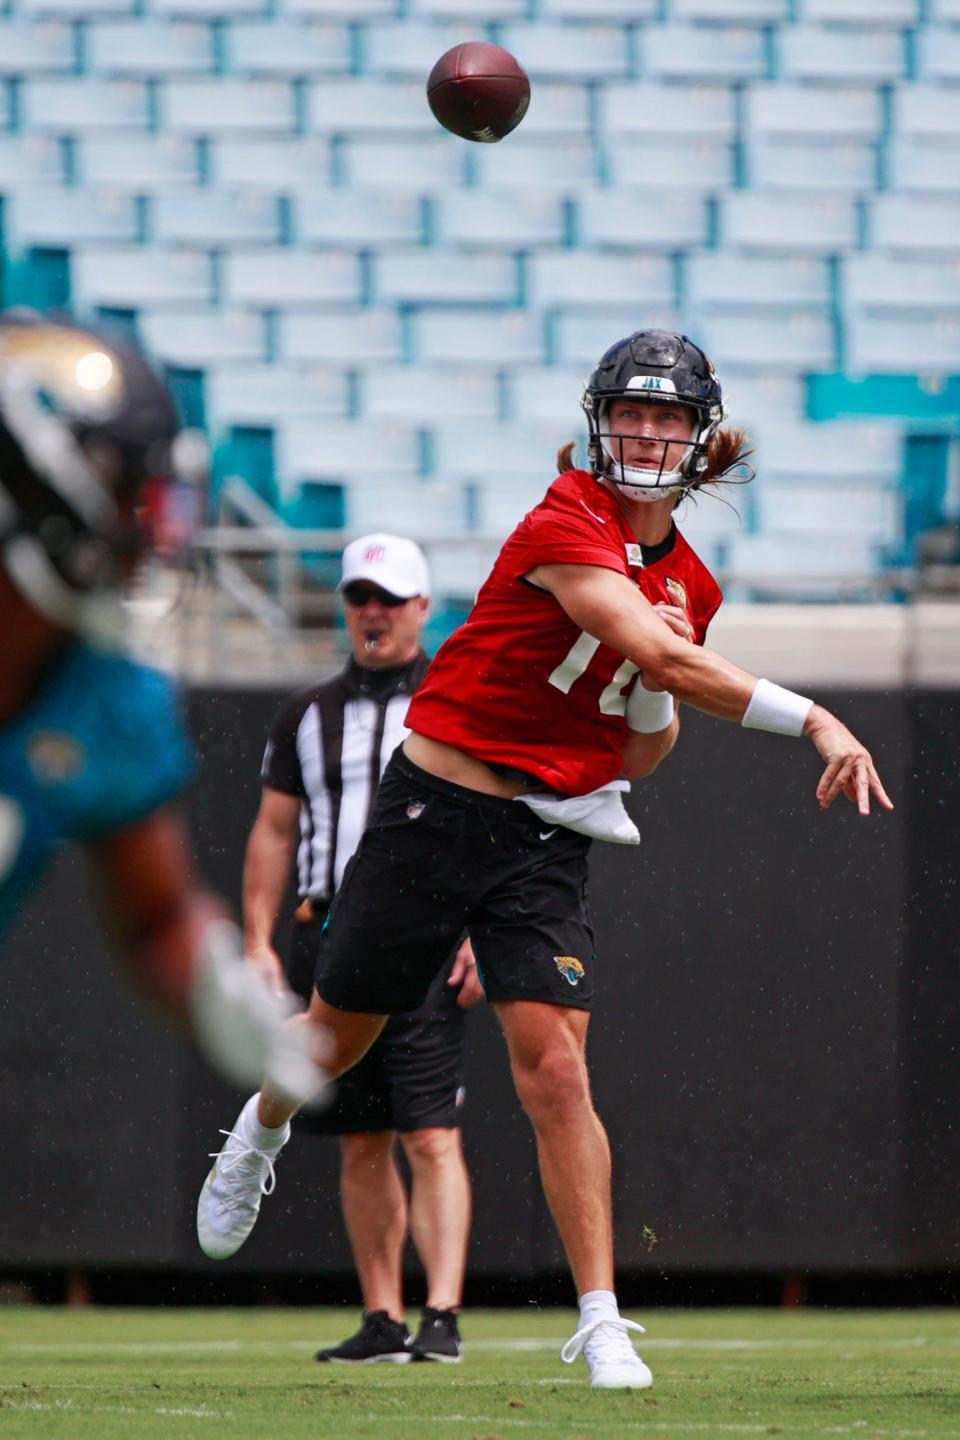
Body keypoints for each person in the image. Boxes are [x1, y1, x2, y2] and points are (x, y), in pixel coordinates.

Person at [196, 330, 893, 1390]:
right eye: (631, 414)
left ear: (696, 437)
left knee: (559, 1074)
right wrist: (813, 720)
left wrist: (660, 679)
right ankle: (259, 1126)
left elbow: (644, 745)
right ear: (598, 422)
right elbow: (654, 649)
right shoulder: (566, 515)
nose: (647, 434)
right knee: (335, 1040)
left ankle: (603, 1319)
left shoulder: (691, 583)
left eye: (668, 419)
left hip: (548, 831)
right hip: (437, 802)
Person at [0, 310, 323, 1103]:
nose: (150, 532)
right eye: (127, 494)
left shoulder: (102, 691)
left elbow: (155, 916)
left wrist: (216, 981)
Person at [206, 533, 481, 1364]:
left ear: (423, 610)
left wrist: (477, 926)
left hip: (431, 933)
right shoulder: (306, 714)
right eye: (361, 597)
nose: (374, 614)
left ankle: (443, 1314)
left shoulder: (458, 697)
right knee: (361, 1139)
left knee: (431, 1133)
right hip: (327, 933)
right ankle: (383, 1317)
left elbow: (491, 820)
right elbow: (274, 831)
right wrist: (256, 939)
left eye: (390, 600)